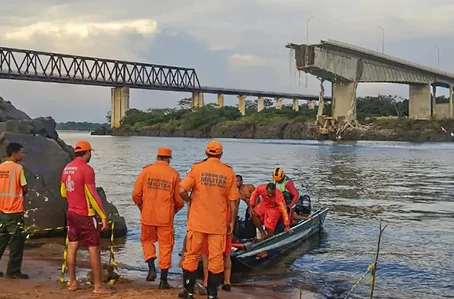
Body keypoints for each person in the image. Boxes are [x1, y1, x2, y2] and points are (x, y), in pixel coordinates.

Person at [179, 140, 239, 299]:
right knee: (216, 259)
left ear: (206, 153)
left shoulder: (197, 169)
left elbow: (180, 190)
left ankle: (189, 292)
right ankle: (212, 295)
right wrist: (232, 222)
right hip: (218, 225)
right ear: (221, 154)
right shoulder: (228, 172)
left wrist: (189, 200)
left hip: (197, 222)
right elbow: (233, 201)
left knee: (191, 256)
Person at [60, 141, 114, 294]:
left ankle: (73, 283)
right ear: (87, 152)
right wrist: (103, 216)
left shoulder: (67, 168)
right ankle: (98, 286)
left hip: (71, 212)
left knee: (72, 247)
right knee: (94, 249)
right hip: (86, 214)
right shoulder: (87, 169)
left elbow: (63, 192)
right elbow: (92, 194)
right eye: (90, 152)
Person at [132, 147, 184, 289]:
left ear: (157, 157)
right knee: (166, 247)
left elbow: (136, 194)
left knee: (147, 241)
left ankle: (151, 268)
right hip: (165, 218)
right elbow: (179, 201)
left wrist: (142, 207)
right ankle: (163, 281)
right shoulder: (173, 174)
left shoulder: (146, 171)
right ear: (169, 159)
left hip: (148, 215)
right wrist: (174, 210)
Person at [0, 142, 28, 279]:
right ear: (14, 153)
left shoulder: (1, 167)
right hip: (14, 210)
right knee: (17, 240)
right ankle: (13, 271)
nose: (22, 155)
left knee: (1, 239)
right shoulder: (18, 168)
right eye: (21, 152)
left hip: (1, 210)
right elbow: (24, 187)